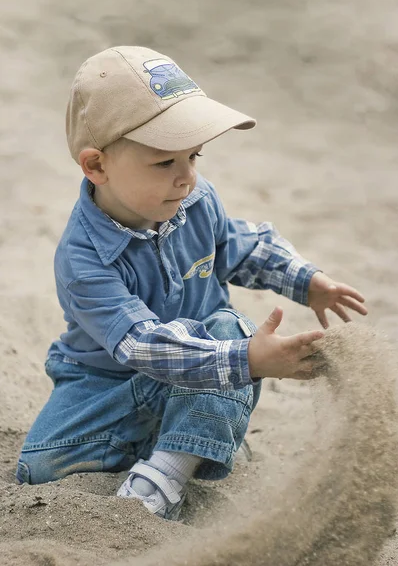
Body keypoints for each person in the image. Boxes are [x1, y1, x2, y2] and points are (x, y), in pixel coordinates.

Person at [16, 46, 367, 520]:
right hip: (112, 381)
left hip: (212, 360)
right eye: (164, 163)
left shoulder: (197, 199)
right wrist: (249, 362)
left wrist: (306, 281)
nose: (186, 178)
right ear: (96, 166)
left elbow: (241, 245)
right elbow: (141, 345)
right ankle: (197, 431)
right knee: (40, 469)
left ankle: (169, 469)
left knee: (229, 329)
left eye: (194, 156)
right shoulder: (82, 259)